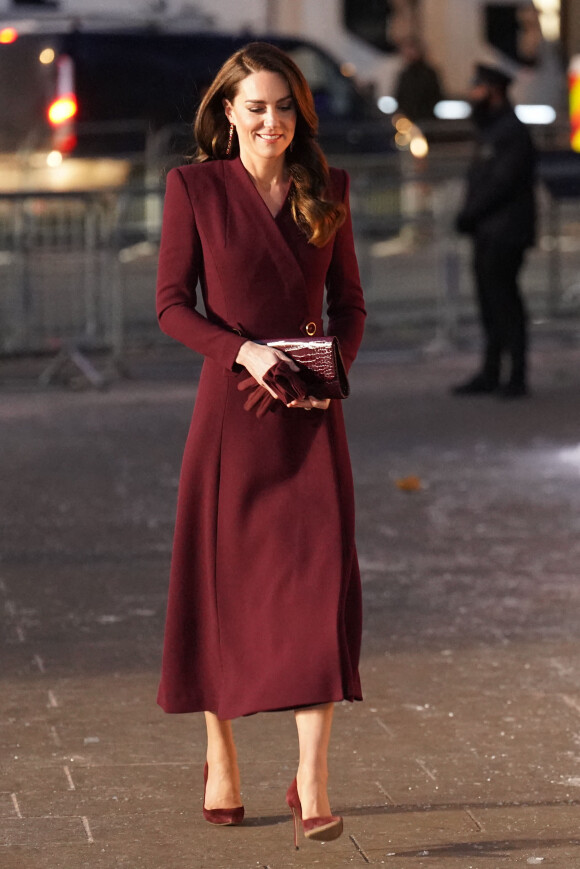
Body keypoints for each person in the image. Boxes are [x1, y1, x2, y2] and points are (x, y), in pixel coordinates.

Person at [155, 42, 366, 846]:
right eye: (256, 107)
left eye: (284, 107)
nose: (272, 121)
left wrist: (331, 363)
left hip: (314, 417)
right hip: (232, 416)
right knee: (226, 590)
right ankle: (220, 754)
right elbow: (173, 305)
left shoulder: (330, 187)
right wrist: (242, 350)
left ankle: (312, 779)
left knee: (318, 589)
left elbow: (351, 304)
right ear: (227, 114)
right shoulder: (193, 188)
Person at [452, 62, 536, 398]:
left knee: (505, 303)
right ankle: (491, 372)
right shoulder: (493, 128)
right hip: (488, 231)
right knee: (490, 303)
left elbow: (502, 182)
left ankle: (515, 376)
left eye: (477, 87)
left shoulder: (510, 131)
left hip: (505, 232)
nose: (472, 93)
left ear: (493, 90)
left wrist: (470, 214)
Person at [394, 36, 443, 123]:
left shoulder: (429, 73)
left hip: (427, 119)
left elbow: (435, 96)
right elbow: (400, 96)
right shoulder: (405, 74)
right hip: (408, 119)